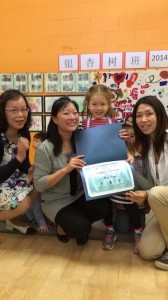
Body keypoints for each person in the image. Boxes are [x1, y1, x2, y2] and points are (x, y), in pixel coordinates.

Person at [33, 96, 112, 245]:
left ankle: (74, 221)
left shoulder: (82, 139)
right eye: (66, 113)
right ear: (55, 119)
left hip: (80, 194)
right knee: (81, 228)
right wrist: (67, 169)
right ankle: (64, 227)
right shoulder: (45, 148)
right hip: (56, 201)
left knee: (103, 206)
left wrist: (120, 137)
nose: (72, 117)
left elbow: (105, 143)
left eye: (75, 113)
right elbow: (39, 184)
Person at [81, 84, 137, 251]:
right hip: (95, 171)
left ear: (109, 104)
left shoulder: (116, 123)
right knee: (104, 201)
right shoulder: (83, 125)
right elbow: (81, 148)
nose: (98, 108)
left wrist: (128, 152)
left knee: (128, 196)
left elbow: (123, 144)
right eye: (94, 104)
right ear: (88, 104)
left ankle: (138, 230)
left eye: (103, 104)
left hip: (116, 167)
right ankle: (109, 229)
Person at [126, 95, 168, 270]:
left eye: (149, 114)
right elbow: (150, 186)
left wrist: (149, 195)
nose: (143, 120)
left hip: (162, 197)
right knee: (147, 251)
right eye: (139, 115)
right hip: (164, 205)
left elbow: (154, 192)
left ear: (159, 115)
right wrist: (127, 169)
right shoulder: (148, 146)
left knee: (156, 193)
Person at [0, 89, 38, 234]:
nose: (20, 115)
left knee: (39, 183)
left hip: (8, 178)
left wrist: (30, 170)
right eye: (14, 110)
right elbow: (19, 160)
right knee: (24, 204)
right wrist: (18, 159)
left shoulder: (24, 132)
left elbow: (24, 164)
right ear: (3, 111)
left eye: (23, 109)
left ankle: (12, 220)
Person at [25, 131, 51, 233]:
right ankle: (39, 223)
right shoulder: (39, 154)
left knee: (38, 202)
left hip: (40, 182)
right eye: (33, 140)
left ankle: (36, 219)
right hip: (33, 183)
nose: (33, 143)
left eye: (36, 141)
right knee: (35, 204)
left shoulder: (43, 153)